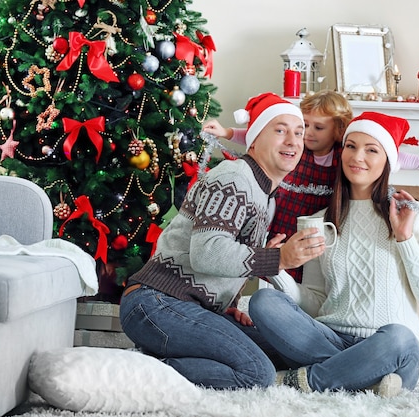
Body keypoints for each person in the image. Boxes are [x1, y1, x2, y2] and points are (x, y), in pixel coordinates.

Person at [119, 92, 327, 390]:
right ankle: (138, 373)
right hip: (157, 303)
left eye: (299, 132)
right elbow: (207, 253)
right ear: (254, 138)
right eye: (280, 130)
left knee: (283, 353)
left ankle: (169, 358)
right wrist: (278, 259)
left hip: (189, 306)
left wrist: (220, 305)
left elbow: (224, 256)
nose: (293, 141)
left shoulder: (264, 194)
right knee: (257, 374)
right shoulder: (234, 179)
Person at [248, 111, 419, 397]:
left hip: (387, 346)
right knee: (264, 301)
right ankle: (362, 378)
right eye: (351, 146)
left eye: (371, 150)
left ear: (388, 160)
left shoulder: (414, 215)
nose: (357, 157)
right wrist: (276, 271)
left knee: (401, 338)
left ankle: (313, 379)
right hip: (330, 338)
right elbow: (316, 302)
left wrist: (404, 238)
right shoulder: (321, 220)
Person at [203, 90, 419, 283]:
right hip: (285, 218)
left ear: (339, 129)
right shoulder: (296, 149)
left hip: (321, 225)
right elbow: (260, 135)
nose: (307, 133)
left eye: (318, 127)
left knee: (311, 272)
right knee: (278, 266)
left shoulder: (345, 154)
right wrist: (226, 132)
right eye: (305, 125)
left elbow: (396, 157)